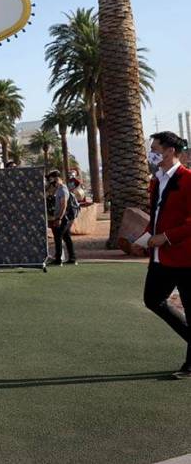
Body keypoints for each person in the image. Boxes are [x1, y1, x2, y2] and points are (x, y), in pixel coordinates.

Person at [125, 132, 191, 379]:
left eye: (155, 148)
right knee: (152, 299)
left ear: (171, 150)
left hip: (186, 258)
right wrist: (143, 240)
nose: (151, 153)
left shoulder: (188, 179)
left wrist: (166, 237)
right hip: (160, 258)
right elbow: (154, 218)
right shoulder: (156, 181)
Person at [45, 170, 77, 266]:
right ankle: (72, 258)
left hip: (63, 217)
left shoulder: (63, 189)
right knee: (66, 237)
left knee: (58, 237)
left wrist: (59, 218)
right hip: (61, 217)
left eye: (51, 178)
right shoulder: (58, 189)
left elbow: (64, 205)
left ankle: (58, 259)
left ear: (56, 178)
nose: (50, 181)